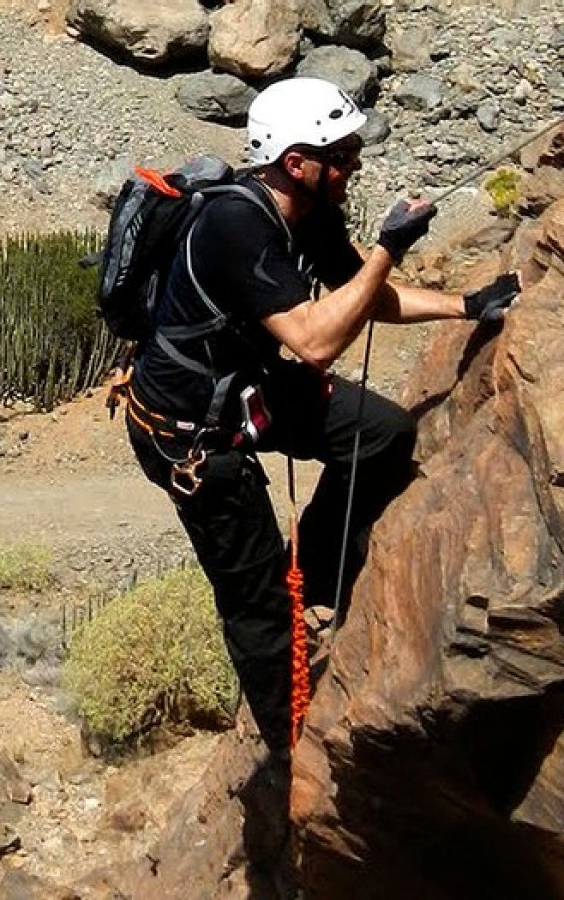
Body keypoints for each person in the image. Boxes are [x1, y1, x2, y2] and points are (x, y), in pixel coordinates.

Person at [123, 77, 520, 753]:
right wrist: (391, 247)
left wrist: (464, 304)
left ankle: (325, 573)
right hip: (190, 438)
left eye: (352, 149)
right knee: (259, 606)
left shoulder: (314, 214)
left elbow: (362, 295)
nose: (353, 162)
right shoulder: (235, 224)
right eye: (339, 153)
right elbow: (314, 339)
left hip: (248, 389)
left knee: (383, 435)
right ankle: (291, 746)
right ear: (294, 163)